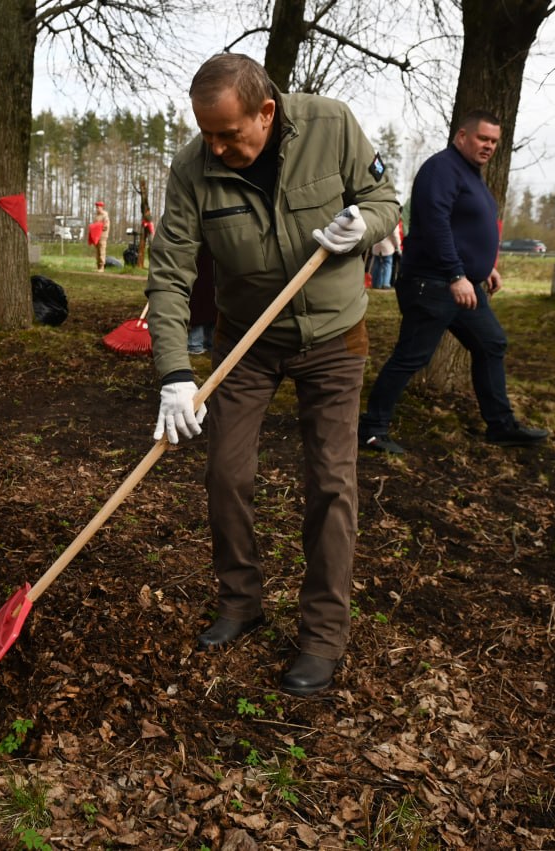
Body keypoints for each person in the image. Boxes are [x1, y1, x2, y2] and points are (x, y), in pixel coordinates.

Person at [145, 53, 399, 697]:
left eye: (229, 133)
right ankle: (241, 602)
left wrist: (361, 226)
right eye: (207, 133)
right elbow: (171, 273)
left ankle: (322, 634)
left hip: (334, 337)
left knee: (331, 483)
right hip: (245, 344)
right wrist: (175, 372)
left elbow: (383, 199)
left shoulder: (331, 125)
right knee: (226, 472)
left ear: (267, 111)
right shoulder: (192, 168)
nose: (217, 146)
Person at [357, 110, 549, 456]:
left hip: (462, 282)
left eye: (494, 141)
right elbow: (435, 224)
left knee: (491, 344)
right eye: (483, 139)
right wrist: (457, 274)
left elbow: (467, 227)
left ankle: (501, 426)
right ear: (462, 136)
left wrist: (484, 268)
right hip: (433, 283)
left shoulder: (471, 175)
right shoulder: (441, 168)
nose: (489, 146)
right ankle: (371, 428)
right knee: (411, 356)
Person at [370, 221, 401, 289]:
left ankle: (375, 284)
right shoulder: (393, 220)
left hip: (376, 245)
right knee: (387, 265)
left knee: (377, 265)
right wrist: (398, 246)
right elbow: (395, 235)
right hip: (387, 246)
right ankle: (385, 284)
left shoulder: (378, 218)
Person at [91, 201, 111, 271]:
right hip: (97, 236)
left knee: (102, 251)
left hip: (103, 236)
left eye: (98, 207)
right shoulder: (96, 216)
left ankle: (102, 266)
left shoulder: (105, 216)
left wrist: (98, 227)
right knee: (97, 252)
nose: (97, 209)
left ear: (101, 207)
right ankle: (98, 266)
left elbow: (105, 226)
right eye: (96, 207)